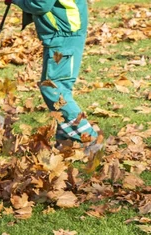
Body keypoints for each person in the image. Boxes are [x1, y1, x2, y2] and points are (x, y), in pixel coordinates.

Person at [6, 0, 103, 154]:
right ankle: (67, 140)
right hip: (63, 33)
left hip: (64, 35)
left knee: (53, 87)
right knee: (58, 86)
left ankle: (88, 138)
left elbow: (41, 4)